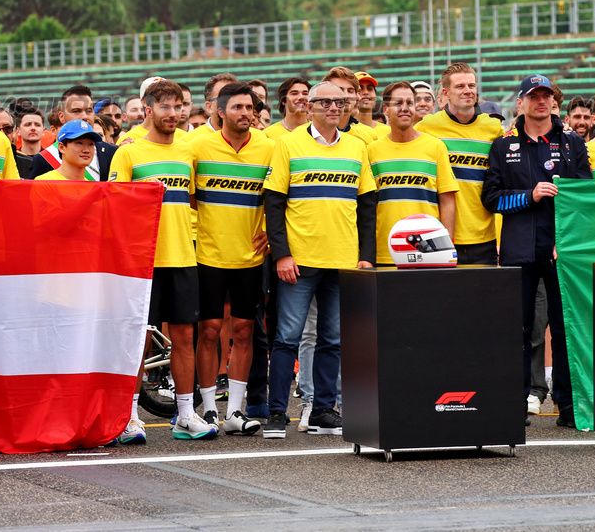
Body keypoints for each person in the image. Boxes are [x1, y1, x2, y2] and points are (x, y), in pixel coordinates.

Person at [262, 81, 377, 439]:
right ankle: (277, 414)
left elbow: (368, 207)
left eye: (339, 102)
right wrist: (281, 254)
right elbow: (273, 203)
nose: (333, 107)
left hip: (342, 261)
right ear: (308, 107)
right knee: (286, 338)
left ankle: (323, 410)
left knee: (331, 339)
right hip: (300, 261)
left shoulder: (358, 147)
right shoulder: (287, 144)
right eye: (325, 102)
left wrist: (366, 257)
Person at [482, 74, 592, 429]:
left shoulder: (572, 142)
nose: (540, 102)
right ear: (521, 103)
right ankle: (514, 401)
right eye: (533, 96)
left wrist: (569, 240)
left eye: (546, 96)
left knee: (564, 329)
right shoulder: (503, 145)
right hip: (518, 251)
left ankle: (568, 404)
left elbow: (584, 198)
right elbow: (492, 199)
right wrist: (529, 196)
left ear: (554, 102)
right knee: (519, 329)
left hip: (562, 252)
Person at [110, 79, 216, 441]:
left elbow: (194, 202)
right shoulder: (128, 152)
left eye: (179, 107)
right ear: (148, 109)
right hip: (144, 262)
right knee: (137, 338)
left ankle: (186, 415)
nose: (175, 114)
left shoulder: (189, 153)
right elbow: (115, 207)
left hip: (183, 256)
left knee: (185, 336)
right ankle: (129, 417)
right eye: (166, 107)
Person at [189, 81, 272, 436]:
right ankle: (209, 410)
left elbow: (279, 196)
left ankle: (235, 412)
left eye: (250, 108)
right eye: (237, 107)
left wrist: (271, 229)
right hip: (207, 255)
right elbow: (186, 195)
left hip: (251, 257)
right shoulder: (196, 145)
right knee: (208, 332)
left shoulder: (270, 148)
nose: (245, 114)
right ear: (219, 111)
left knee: (244, 330)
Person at [415, 62, 504, 266]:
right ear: (446, 93)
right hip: (440, 237)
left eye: (471, 85)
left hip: (484, 237)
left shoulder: (493, 128)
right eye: (460, 86)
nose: (468, 91)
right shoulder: (428, 126)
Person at [367, 82, 456, 267]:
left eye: (410, 102)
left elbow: (447, 200)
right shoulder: (372, 150)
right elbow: (367, 206)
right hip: (385, 252)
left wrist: (446, 247)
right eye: (398, 103)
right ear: (386, 109)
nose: (405, 108)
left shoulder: (435, 147)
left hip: (429, 252)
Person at [321, 66, 376, 144]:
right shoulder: (305, 133)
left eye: (350, 91)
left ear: (357, 96)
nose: (346, 95)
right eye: (340, 90)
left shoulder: (368, 136)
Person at [36, 120, 101, 182]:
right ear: (61, 147)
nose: (86, 150)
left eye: (91, 144)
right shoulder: (45, 182)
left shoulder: (93, 187)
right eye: (79, 143)